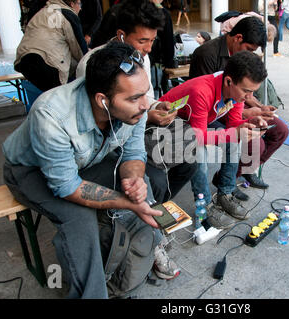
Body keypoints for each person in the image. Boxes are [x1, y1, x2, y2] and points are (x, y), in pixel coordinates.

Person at [3, 42, 168, 298]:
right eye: (134, 98)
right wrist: (127, 202)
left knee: (150, 180)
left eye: (145, 93)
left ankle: (131, 262)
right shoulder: (51, 114)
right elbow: (66, 186)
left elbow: (133, 154)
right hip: (29, 170)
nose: (146, 104)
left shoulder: (137, 106)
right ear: (102, 100)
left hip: (87, 160)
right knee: (79, 218)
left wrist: (133, 179)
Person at [77, 0, 196, 280]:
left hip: (135, 130)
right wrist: (147, 116)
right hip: (106, 142)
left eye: (152, 41)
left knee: (189, 151)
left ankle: (156, 216)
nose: (148, 49)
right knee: (150, 177)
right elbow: (104, 119)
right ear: (121, 35)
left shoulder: (138, 59)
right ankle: (149, 233)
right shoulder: (93, 65)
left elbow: (145, 100)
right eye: (143, 40)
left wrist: (156, 109)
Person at [159, 51, 269, 228]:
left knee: (233, 141)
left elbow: (233, 124)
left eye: (253, 92)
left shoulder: (235, 91)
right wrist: (234, 132)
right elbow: (198, 137)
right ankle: (206, 206)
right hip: (165, 125)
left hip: (192, 125)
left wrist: (250, 123)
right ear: (228, 81)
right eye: (247, 91)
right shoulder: (202, 90)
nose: (249, 98)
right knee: (198, 153)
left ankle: (225, 193)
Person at [189, 16, 289, 198]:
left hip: (231, 106)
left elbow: (245, 94)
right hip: (209, 113)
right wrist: (246, 116)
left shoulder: (242, 60)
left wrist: (260, 109)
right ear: (238, 38)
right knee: (248, 141)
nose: (251, 54)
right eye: (249, 49)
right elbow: (206, 104)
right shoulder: (206, 55)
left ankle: (244, 170)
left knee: (280, 129)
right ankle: (225, 185)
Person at [14, 0, 88, 92]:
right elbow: (80, 50)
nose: (80, 8)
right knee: (58, 97)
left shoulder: (42, 12)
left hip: (24, 60)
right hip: (47, 62)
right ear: (72, 4)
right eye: (79, 4)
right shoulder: (68, 14)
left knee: (49, 96)